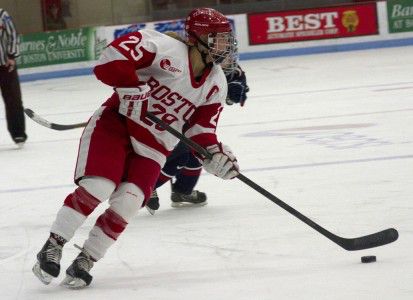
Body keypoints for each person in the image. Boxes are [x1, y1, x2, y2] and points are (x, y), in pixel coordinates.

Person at [32, 7, 240, 289]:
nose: (226, 45)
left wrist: (214, 155)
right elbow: (110, 60)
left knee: (129, 201)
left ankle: (86, 260)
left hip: (155, 146)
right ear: (196, 38)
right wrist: (130, 86)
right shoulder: (163, 47)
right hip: (116, 126)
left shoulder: (216, 83)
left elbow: (200, 130)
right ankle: (53, 245)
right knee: (99, 186)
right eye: (218, 38)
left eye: (227, 39)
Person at [146, 62, 248, 214]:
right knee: (179, 155)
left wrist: (233, 95)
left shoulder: (234, 70)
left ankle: (183, 191)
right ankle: (146, 186)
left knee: (198, 153)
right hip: (170, 117)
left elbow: (238, 93)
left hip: (194, 123)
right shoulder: (186, 61)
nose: (225, 53)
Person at [0, 8, 27, 147]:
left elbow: (13, 35)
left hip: (5, 66)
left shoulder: (2, 15)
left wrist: (11, 56)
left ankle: (18, 133)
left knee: (13, 100)